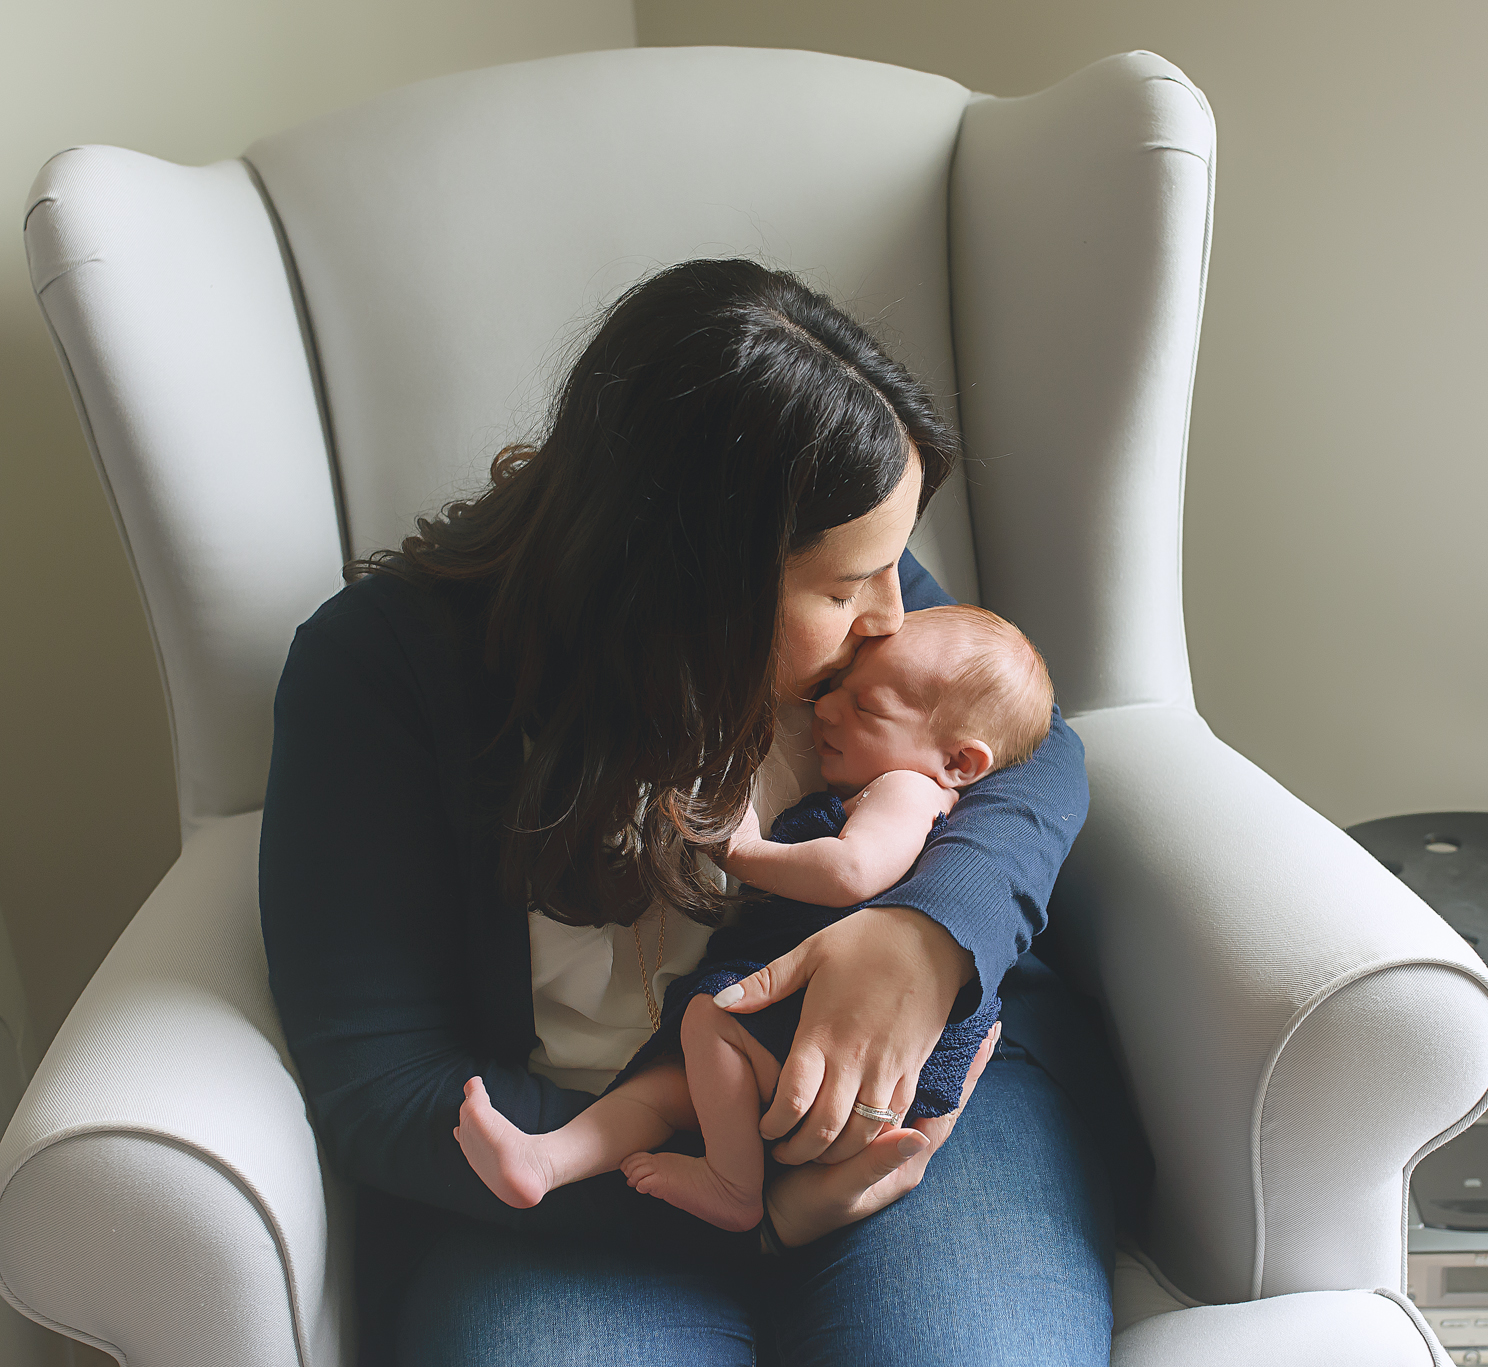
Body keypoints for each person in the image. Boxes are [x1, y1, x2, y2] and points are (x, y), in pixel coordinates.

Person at [259, 260, 1124, 1365]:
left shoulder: (847, 581)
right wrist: (759, 1196)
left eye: (893, 565)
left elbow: (1029, 751)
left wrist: (926, 930)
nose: (891, 616)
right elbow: (383, 1083)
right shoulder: (376, 670)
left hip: (908, 1115)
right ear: (692, 577)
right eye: (847, 586)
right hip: (575, 1177)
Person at [451, 605, 1055, 1235]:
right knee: (665, 1093)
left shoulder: (908, 790)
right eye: (832, 689)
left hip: (841, 1020)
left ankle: (733, 1184)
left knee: (708, 1022)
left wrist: (742, 851)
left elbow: (851, 871)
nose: (824, 709)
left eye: (865, 707)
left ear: (960, 762)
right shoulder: (904, 768)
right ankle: (543, 1161)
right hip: (811, 1024)